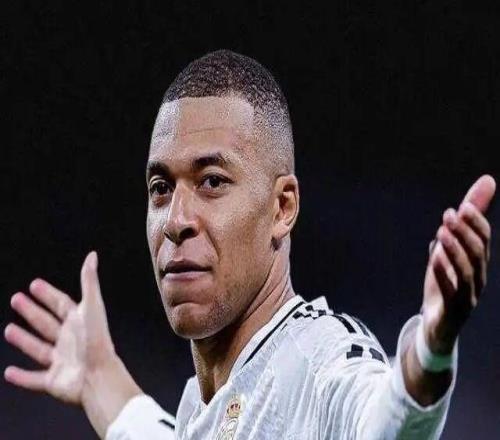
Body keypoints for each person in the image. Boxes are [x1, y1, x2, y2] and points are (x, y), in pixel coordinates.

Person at [4, 50, 496, 439]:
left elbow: (383, 423)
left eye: (212, 182)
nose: (176, 220)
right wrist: (99, 375)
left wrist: (431, 350)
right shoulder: (205, 404)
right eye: (161, 188)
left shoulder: (319, 359)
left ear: (282, 208)